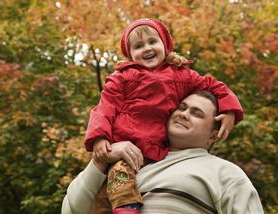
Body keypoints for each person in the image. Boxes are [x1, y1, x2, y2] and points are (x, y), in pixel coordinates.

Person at [84, 18, 244, 213]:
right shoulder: (123, 78)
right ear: (130, 56)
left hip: (158, 149)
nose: (147, 48)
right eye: (138, 46)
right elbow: (104, 108)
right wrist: (100, 138)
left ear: (165, 45)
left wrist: (230, 110)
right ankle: (126, 208)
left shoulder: (181, 76)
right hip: (126, 144)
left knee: (125, 186)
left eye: (152, 41)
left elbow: (213, 86)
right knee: (117, 181)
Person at [62, 91, 264, 214]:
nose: (184, 114)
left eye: (196, 113)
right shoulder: (133, 163)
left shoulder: (225, 174)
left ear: (214, 133)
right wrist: (102, 159)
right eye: (181, 107)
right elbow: (71, 210)